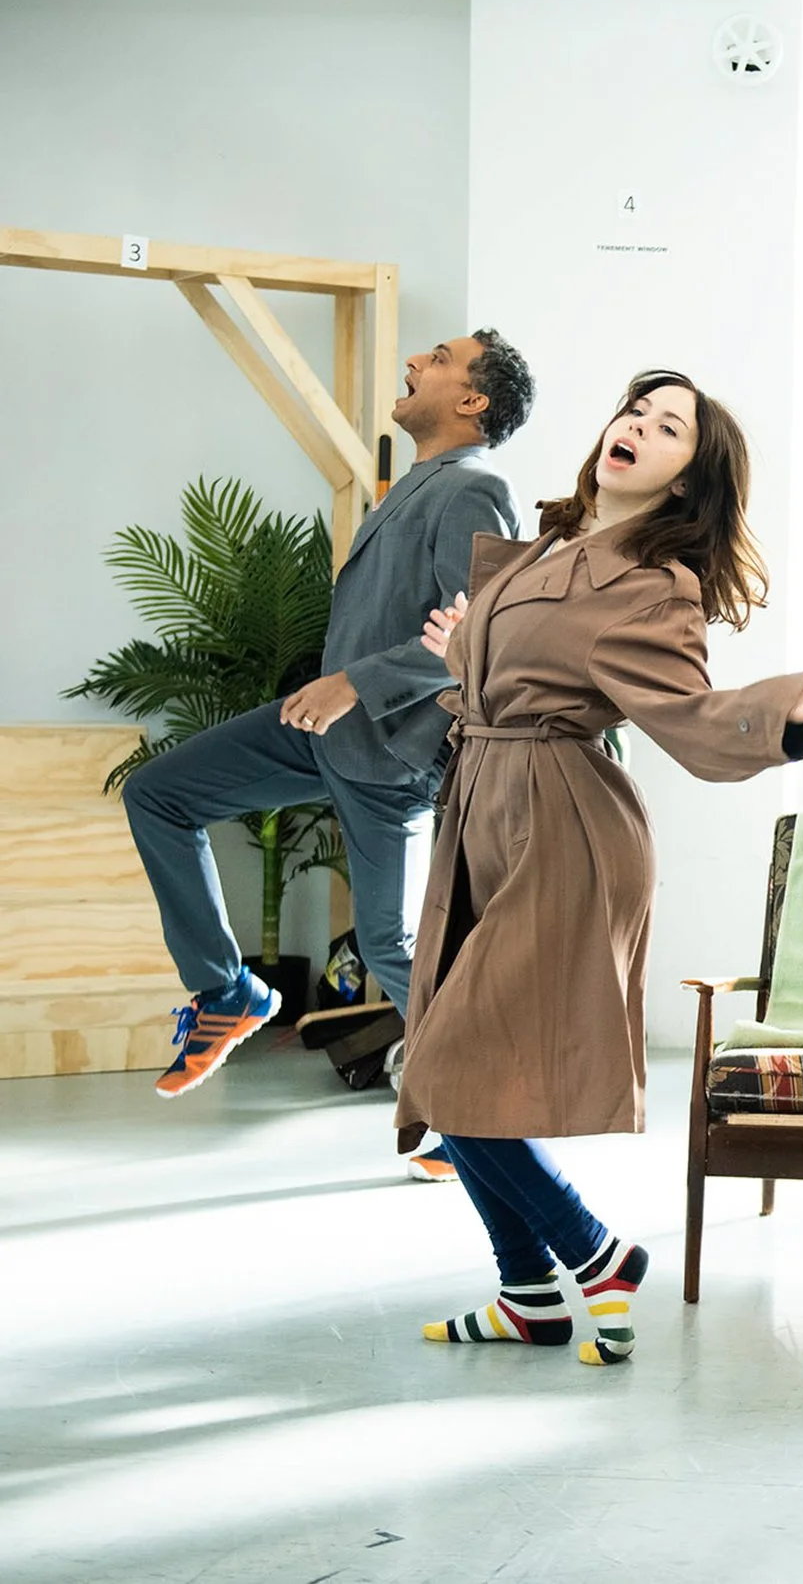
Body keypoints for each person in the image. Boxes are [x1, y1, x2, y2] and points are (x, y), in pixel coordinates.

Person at [394, 371, 803, 1365]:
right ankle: (530, 1294)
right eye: (635, 411)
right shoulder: (554, 541)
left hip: (564, 828)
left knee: (446, 1070)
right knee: (452, 1052)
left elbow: (687, 713)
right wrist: (467, 652)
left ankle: (590, 1250)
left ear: (690, 478)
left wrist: (784, 714)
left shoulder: (655, 580)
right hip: (486, 809)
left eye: (669, 428)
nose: (638, 429)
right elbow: (523, 670)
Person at [126, 330, 534, 1181]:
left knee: (392, 946)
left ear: (472, 401)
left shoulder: (475, 487)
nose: (415, 361)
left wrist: (354, 681)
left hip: (387, 750)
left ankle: (479, 1115)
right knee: (160, 793)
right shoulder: (414, 484)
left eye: (438, 356)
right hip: (324, 726)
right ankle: (227, 991)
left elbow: (484, 631)